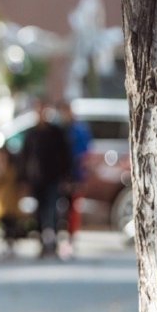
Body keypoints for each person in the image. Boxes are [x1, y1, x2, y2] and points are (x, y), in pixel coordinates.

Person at [19, 98, 71, 258]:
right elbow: (24, 158)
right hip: (36, 179)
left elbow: (65, 156)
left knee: (53, 211)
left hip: (53, 178)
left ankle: (54, 242)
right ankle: (42, 242)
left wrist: (66, 177)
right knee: (39, 212)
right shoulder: (31, 134)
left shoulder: (56, 132)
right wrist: (24, 180)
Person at [57, 100, 93, 253]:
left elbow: (84, 154)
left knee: (73, 209)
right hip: (60, 175)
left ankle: (71, 239)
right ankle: (60, 238)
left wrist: (81, 175)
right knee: (60, 209)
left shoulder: (79, 130)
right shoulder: (59, 130)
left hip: (75, 176)